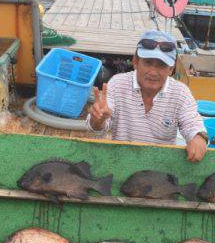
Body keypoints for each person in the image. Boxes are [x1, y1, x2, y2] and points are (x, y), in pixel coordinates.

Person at [86, 30, 208, 162]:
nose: (153, 72)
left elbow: (192, 123)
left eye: (161, 65)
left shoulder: (181, 92)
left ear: (171, 69)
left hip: (160, 167)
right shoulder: (117, 83)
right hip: (122, 161)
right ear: (135, 62)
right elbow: (98, 127)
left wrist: (198, 138)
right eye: (148, 62)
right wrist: (98, 119)